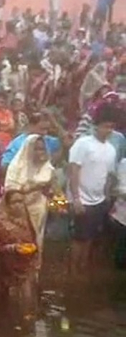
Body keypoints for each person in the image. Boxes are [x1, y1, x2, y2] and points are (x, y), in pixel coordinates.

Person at [68, 103, 118, 275]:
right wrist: (76, 198)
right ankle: (73, 271)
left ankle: (83, 268)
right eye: (105, 126)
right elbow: (74, 170)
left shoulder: (111, 149)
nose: (108, 130)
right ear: (96, 126)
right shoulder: (83, 144)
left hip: (99, 200)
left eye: (111, 127)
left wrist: (106, 197)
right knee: (79, 238)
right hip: (82, 199)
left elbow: (108, 175)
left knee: (90, 237)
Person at [0, 190, 39, 305]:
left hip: (26, 269)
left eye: (21, 201)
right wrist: (11, 248)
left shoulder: (27, 220)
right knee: (8, 306)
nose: (18, 205)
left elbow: (33, 241)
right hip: (5, 271)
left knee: (28, 306)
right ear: (7, 205)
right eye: (14, 202)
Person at [4, 135, 54, 255]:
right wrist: (31, 187)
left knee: (36, 243)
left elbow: (49, 189)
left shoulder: (47, 167)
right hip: (17, 212)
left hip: (38, 211)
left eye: (42, 149)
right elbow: (10, 189)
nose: (39, 152)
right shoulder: (16, 166)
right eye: (36, 149)